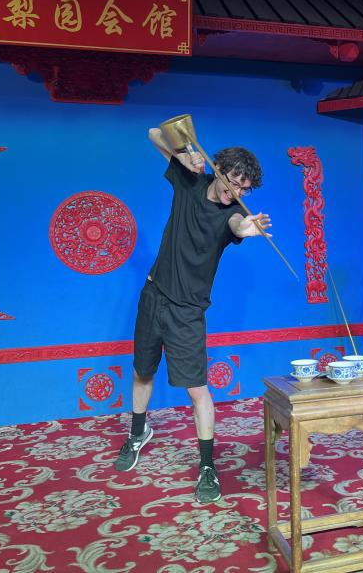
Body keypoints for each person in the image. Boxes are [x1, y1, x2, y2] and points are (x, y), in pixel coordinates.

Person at [113, 126, 270, 503]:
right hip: (154, 295)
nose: (238, 191)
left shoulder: (234, 214)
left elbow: (236, 224)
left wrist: (247, 228)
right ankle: (137, 433)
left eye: (245, 189)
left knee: (197, 390)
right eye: (235, 181)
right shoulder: (190, 181)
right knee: (142, 371)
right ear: (219, 170)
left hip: (188, 311)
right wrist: (185, 155)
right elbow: (153, 133)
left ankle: (207, 466)